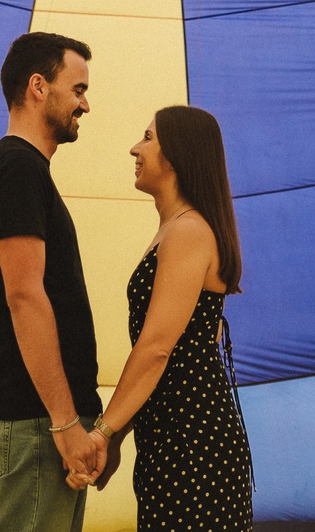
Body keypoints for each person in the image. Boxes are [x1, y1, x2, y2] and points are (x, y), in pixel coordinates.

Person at [81, 104, 253, 531]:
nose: (134, 149)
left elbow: (158, 349)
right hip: (174, 436)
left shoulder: (188, 232)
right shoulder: (178, 230)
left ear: (176, 154)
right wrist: (121, 435)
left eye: (148, 137)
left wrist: (103, 432)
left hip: (193, 441)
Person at [0, 32, 105, 532]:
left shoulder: (27, 173)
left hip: (42, 425)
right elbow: (25, 297)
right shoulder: (17, 171)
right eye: (78, 89)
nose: (85, 104)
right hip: (35, 425)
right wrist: (66, 425)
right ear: (38, 87)